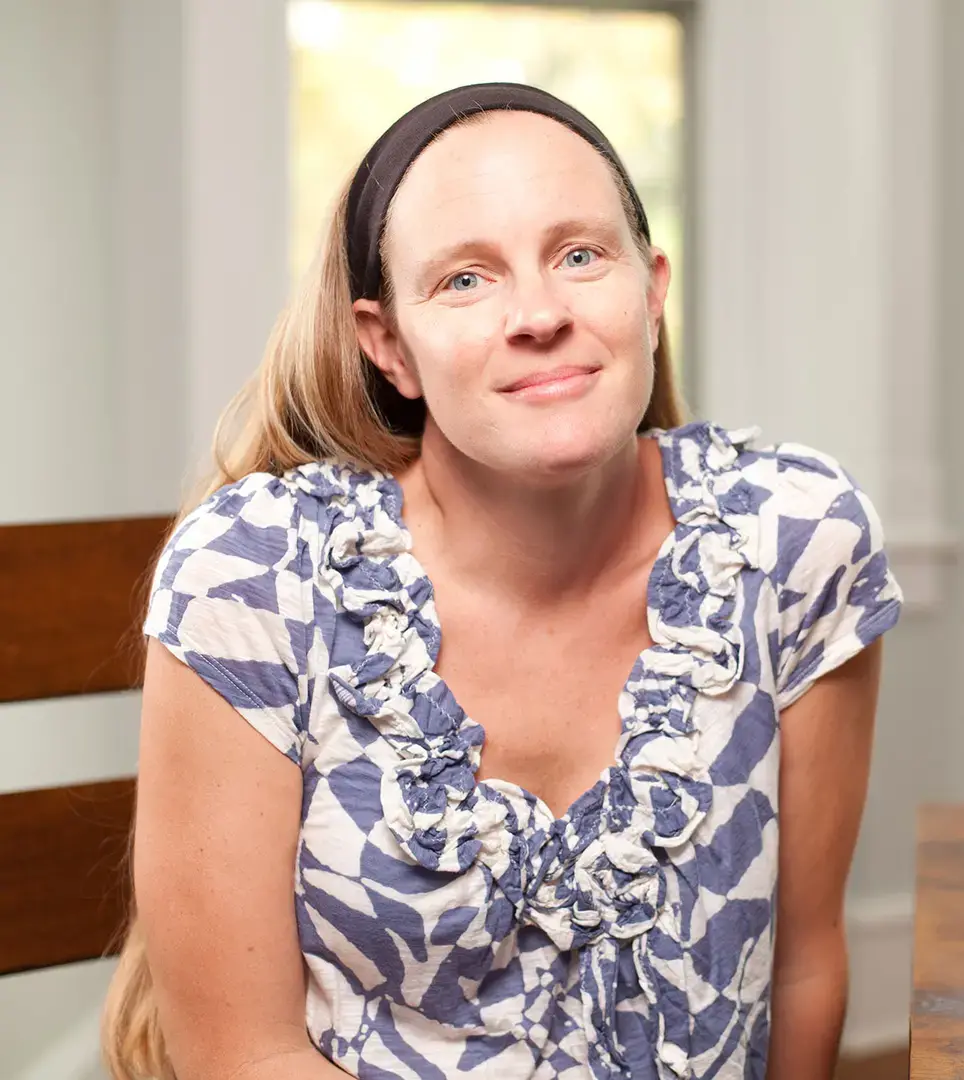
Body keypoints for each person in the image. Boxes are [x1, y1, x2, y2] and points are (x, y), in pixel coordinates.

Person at [102, 83, 902, 1080]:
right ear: (387, 344)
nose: (537, 314)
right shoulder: (255, 577)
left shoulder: (795, 542)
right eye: (465, 280)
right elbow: (244, 1056)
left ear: (651, 292)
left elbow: (802, 968)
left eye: (578, 255)